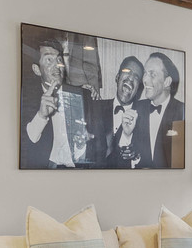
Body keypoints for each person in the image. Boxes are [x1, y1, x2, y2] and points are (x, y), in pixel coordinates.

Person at [21, 39, 81, 169]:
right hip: (46, 171)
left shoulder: (79, 95)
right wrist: (41, 116)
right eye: (49, 60)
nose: (57, 66)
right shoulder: (25, 98)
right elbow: (25, 145)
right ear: (37, 69)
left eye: (59, 60)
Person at [87, 56, 146, 168]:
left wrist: (136, 155)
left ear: (138, 88)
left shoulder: (144, 118)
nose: (130, 78)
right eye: (127, 72)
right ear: (117, 77)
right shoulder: (95, 107)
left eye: (136, 77)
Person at [138, 51, 185, 169]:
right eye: (145, 73)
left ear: (167, 82)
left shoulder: (182, 111)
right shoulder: (136, 108)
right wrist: (126, 135)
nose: (145, 80)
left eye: (152, 74)